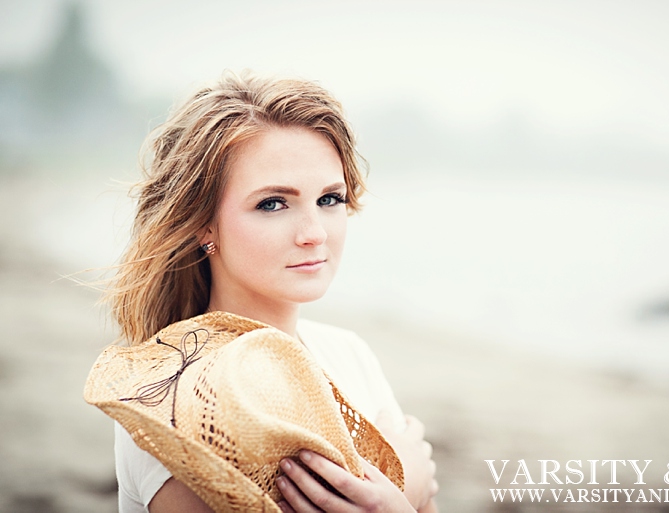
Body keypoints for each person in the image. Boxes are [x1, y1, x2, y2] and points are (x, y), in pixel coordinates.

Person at [105, 70, 439, 513]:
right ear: (203, 223)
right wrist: (407, 492)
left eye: (330, 199)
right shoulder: (173, 402)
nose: (314, 233)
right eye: (273, 203)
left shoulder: (349, 353)